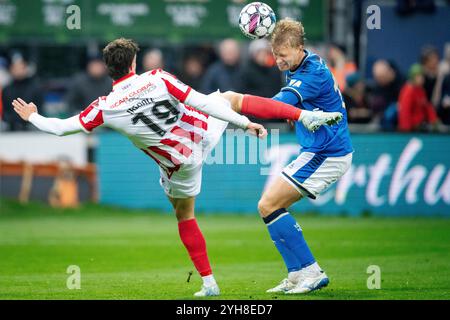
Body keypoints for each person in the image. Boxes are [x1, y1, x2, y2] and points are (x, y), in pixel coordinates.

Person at [11, 38, 340, 297]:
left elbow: (60, 128)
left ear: (109, 70)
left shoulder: (106, 106)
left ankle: (210, 282)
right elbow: (201, 101)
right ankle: (303, 115)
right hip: (203, 133)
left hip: (178, 164)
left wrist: (33, 117)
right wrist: (243, 123)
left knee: (185, 215)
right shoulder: (157, 78)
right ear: (135, 63)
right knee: (226, 97)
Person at [221, 18, 353, 294]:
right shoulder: (301, 63)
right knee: (268, 206)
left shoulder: (311, 72)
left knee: (268, 204)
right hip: (318, 150)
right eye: (274, 54)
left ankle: (311, 271)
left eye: (282, 55)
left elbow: (276, 107)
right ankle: (296, 274)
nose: (278, 61)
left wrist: (238, 100)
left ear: (299, 48)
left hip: (328, 153)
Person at [398, 64, 438, 132]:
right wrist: (406, 129)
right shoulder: (408, 91)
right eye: (419, 76)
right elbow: (405, 111)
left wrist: (434, 120)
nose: (422, 79)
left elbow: (426, 106)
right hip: (411, 129)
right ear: (412, 77)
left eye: (422, 76)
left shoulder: (421, 90)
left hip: (420, 126)